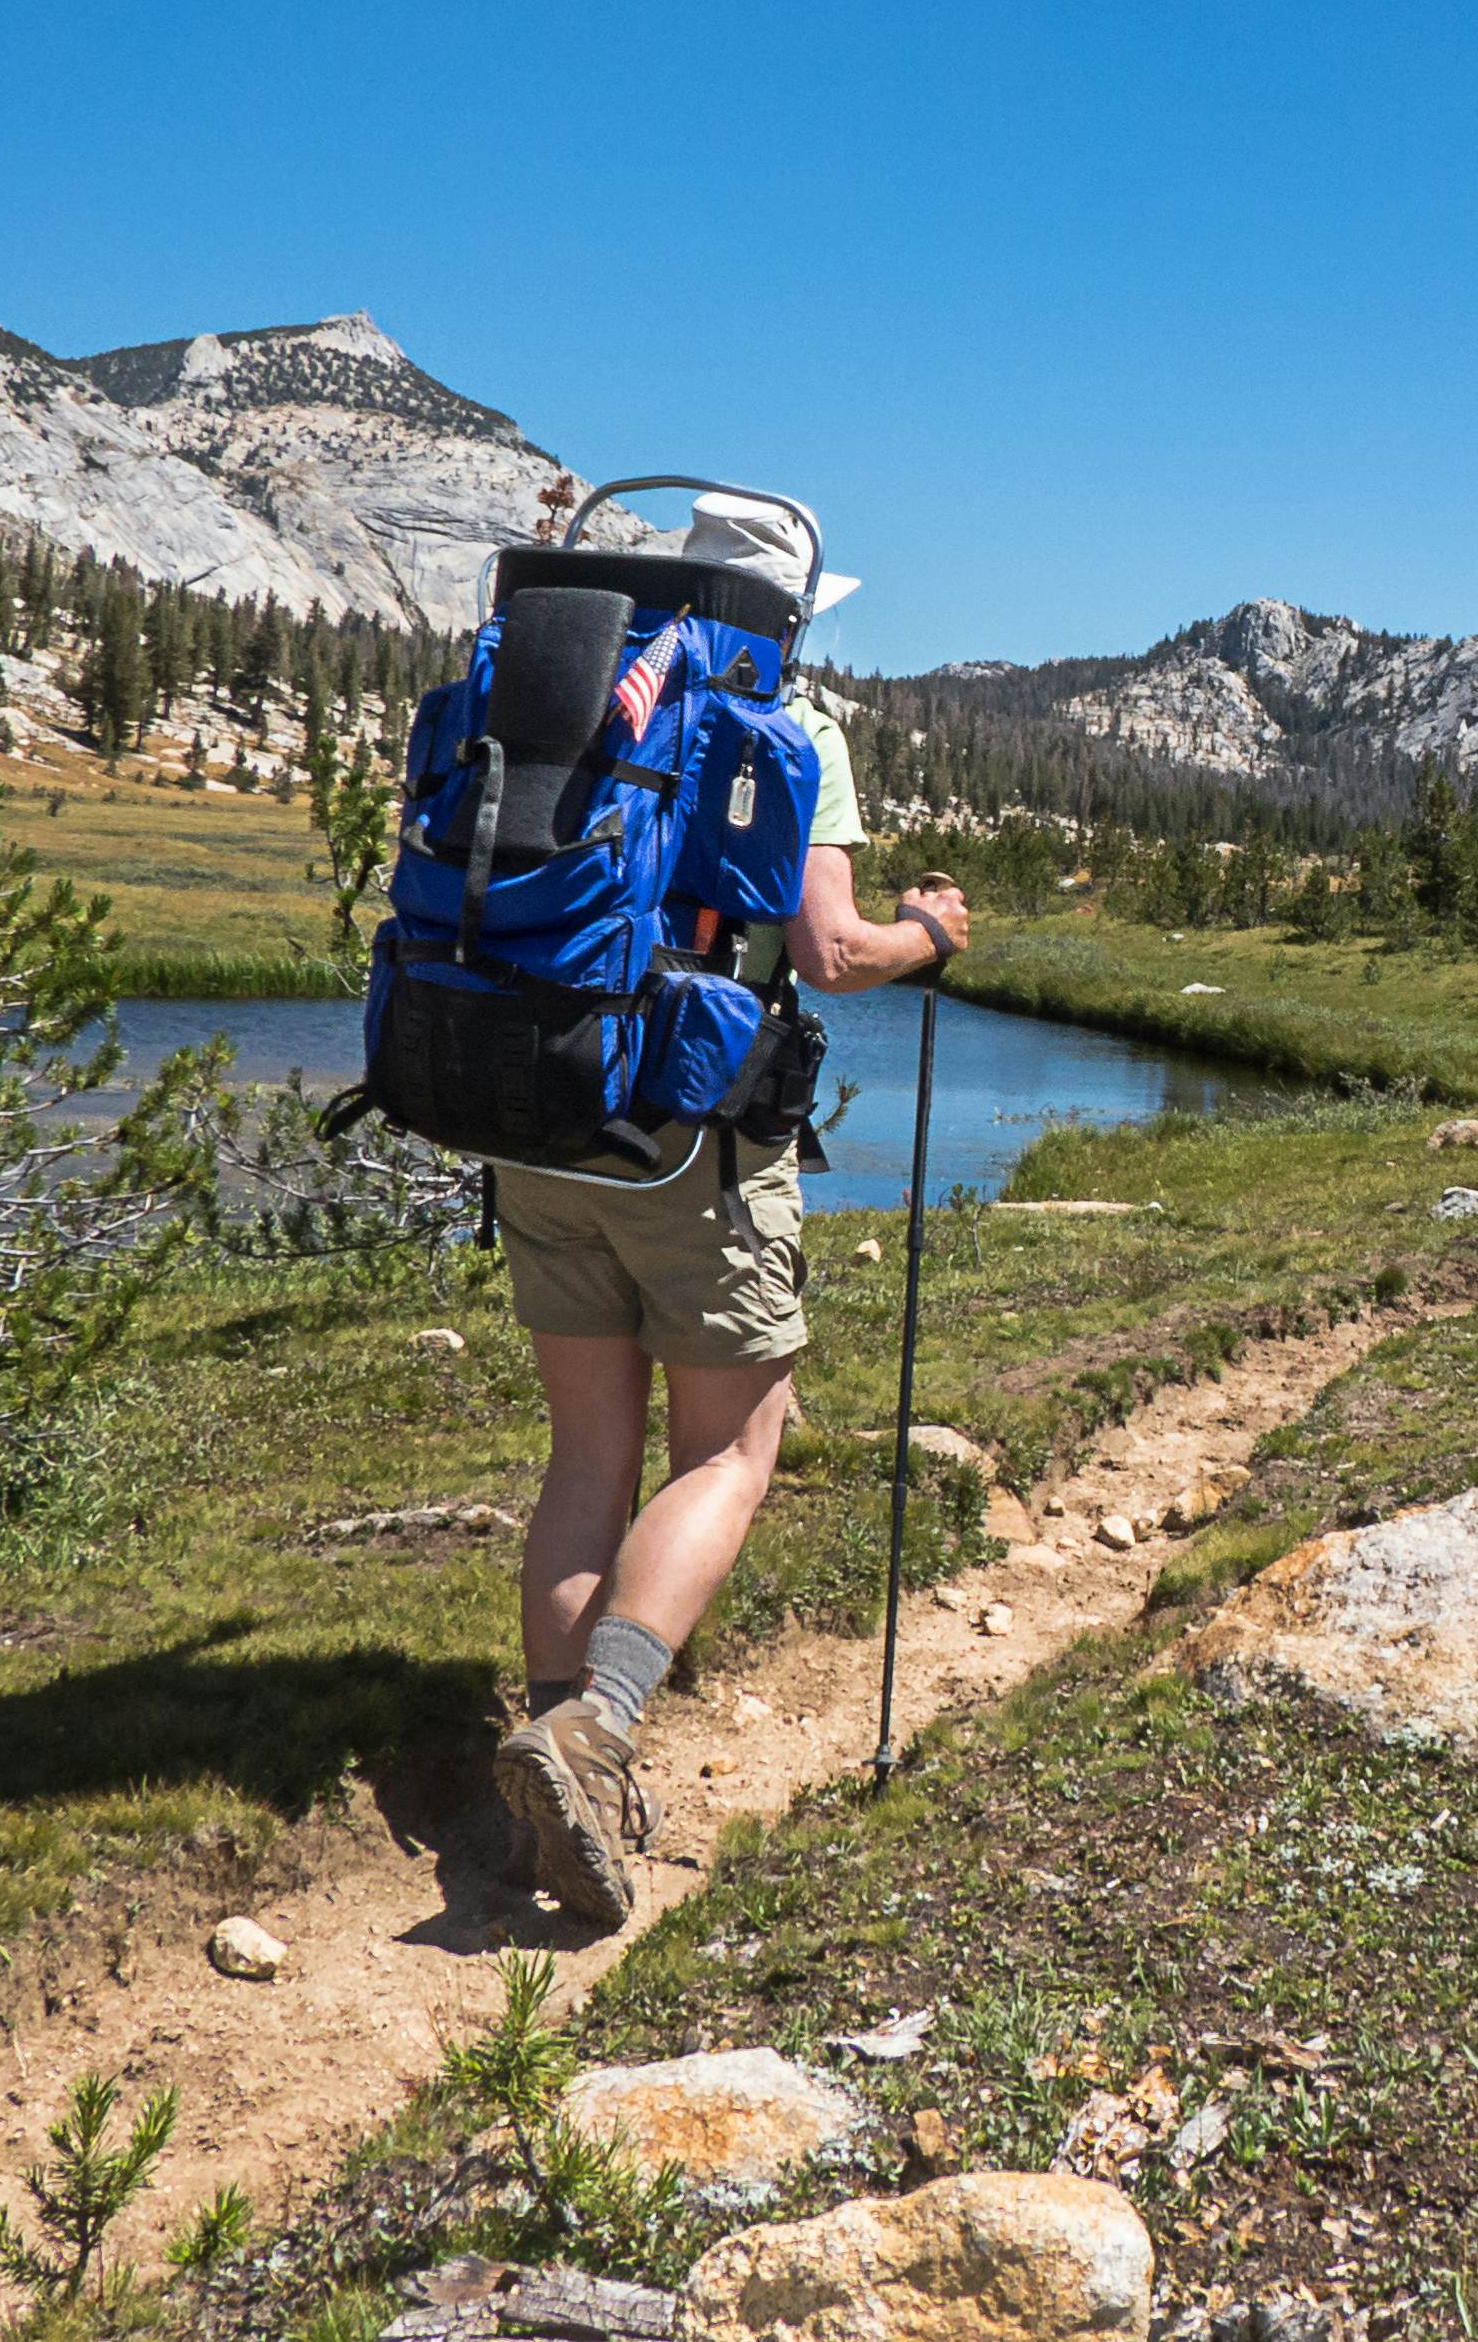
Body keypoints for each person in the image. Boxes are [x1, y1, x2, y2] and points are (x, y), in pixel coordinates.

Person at [489, 500, 969, 1925]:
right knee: (734, 1447)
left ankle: (550, 1779)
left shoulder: (559, 683)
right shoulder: (783, 721)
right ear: (793, 606)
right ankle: (595, 1733)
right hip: (686, 1140)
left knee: (588, 1449)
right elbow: (825, 952)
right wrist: (931, 933)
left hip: (536, 1111)